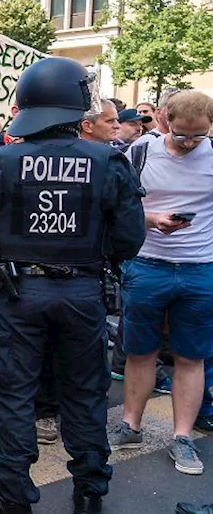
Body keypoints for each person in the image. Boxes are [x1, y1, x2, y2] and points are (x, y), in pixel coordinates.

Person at [0, 57, 146, 514]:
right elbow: (130, 238)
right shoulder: (110, 160)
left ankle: (12, 493)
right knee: (84, 391)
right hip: (84, 292)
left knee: (13, 393)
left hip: (19, 293)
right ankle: (90, 489)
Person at [110, 90, 213, 477]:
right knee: (140, 351)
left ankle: (182, 437)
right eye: (183, 133)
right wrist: (150, 218)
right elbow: (118, 204)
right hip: (147, 263)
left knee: (191, 356)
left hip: (200, 268)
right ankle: (130, 425)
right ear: (166, 118)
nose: (189, 142)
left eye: (198, 136)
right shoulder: (140, 151)